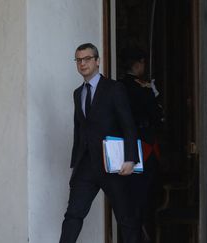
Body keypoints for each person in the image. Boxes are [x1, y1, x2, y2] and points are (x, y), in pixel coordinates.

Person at [59, 43, 141, 243]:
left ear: (97, 61)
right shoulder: (78, 93)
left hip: (112, 164)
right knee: (73, 215)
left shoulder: (114, 89)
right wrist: (75, 164)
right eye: (79, 60)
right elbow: (79, 129)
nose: (82, 63)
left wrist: (130, 159)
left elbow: (128, 124)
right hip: (86, 165)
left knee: (125, 218)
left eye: (87, 59)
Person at [119, 47, 163, 242]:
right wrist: (154, 95)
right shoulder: (141, 88)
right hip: (144, 147)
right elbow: (156, 115)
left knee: (130, 200)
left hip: (125, 148)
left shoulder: (119, 86)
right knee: (144, 201)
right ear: (137, 64)